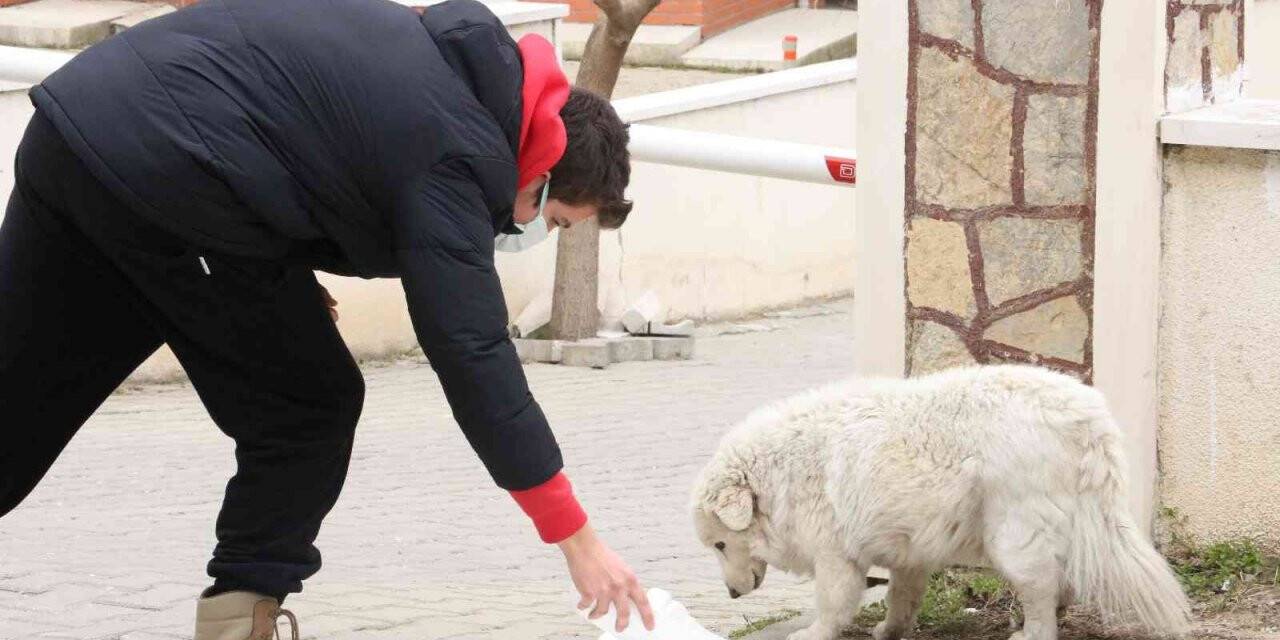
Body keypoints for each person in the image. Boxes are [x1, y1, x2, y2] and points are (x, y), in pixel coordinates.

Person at [0, 0, 655, 638]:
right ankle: (238, 624)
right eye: (555, 219)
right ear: (540, 170)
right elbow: (474, 356)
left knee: (17, 406)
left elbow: (291, 120)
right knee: (310, 409)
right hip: (161, 185)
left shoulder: (441, 55)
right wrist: (577, 540)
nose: (531, 230)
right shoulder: (462, 152)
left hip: (76, 129)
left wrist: (287, 264)